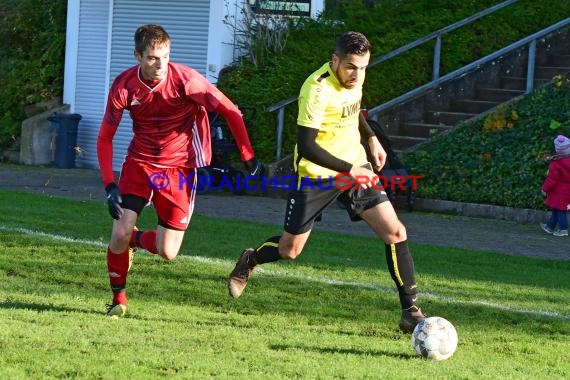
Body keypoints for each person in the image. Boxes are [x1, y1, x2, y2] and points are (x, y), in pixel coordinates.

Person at [227, 31, 426, 333]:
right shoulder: (316, 90)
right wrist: (350, 169)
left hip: (354, 164)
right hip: (316, 174)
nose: (357, 75)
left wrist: (371, 138)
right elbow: (307, 146)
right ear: (334, 60)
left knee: (396, 231)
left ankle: (410, 312)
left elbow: (354, 108)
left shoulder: (354, 78)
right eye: (350, 67)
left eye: (363, 68)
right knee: (290, 249)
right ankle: (251, 259)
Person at [97, 24, 262, 318]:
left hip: (179, 168)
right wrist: (110, 184)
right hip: (140, 163)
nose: (160, 64)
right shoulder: (124, 86)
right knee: (118, 231)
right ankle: (118, 300)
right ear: (137, 55)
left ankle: (135, 240)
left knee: (168, 252)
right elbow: (105, 136)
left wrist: (248, 156)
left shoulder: (186, 80)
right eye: (152, 58)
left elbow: (230, 111)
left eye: (165, 56)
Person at [540, 134, 570, 237]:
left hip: (559, 191)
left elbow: (552, 179)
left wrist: (544, 188)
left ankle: (563, 229)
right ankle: (549, 226)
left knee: (560, 210)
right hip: (567, 191)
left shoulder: (556, 164)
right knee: (557, 209)